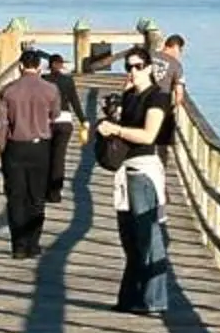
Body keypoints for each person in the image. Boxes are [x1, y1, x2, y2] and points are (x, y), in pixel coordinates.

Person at [93, 45, 171, 312]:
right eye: (129, 67)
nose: (133, 71)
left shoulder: (157, 97)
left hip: (143, 171)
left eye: (138, 66)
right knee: (129, 237)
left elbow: (149, 135)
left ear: (149, 68)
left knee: (149, 237)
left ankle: (155, 299)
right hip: (125, 171)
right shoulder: (130, 96)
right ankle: (130, 298)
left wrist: (116, 129)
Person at [0, 48, 58, 258]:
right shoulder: (51, 90)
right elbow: (55, 115)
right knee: (37, 198)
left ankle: (19, 246)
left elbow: (1, 123)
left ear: (20, 66)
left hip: (15, 147)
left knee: (16, 198)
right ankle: (33, 243)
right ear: (39, 67)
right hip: (40, 147)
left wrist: (1, 147)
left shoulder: (8, 91)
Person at [44, 51, 81, 202]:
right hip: (65, 121)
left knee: (47, 156)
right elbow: (74, 101)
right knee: (59, 158)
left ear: (49, 65)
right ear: (61, 65)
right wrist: (83, 119)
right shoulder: (68, 80)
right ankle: (55, 192)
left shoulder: (44, 80)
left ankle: (46, 189)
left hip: (47, 121)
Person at [149, 32, 187, 156]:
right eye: (180, 50)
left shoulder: (149, 56)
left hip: (145, 96)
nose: (180, 54)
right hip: (162, 99)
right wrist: (176, 106)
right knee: (163, 138)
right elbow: (179, 92)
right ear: (175, 47)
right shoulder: (176, 65)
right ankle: (161, 158)